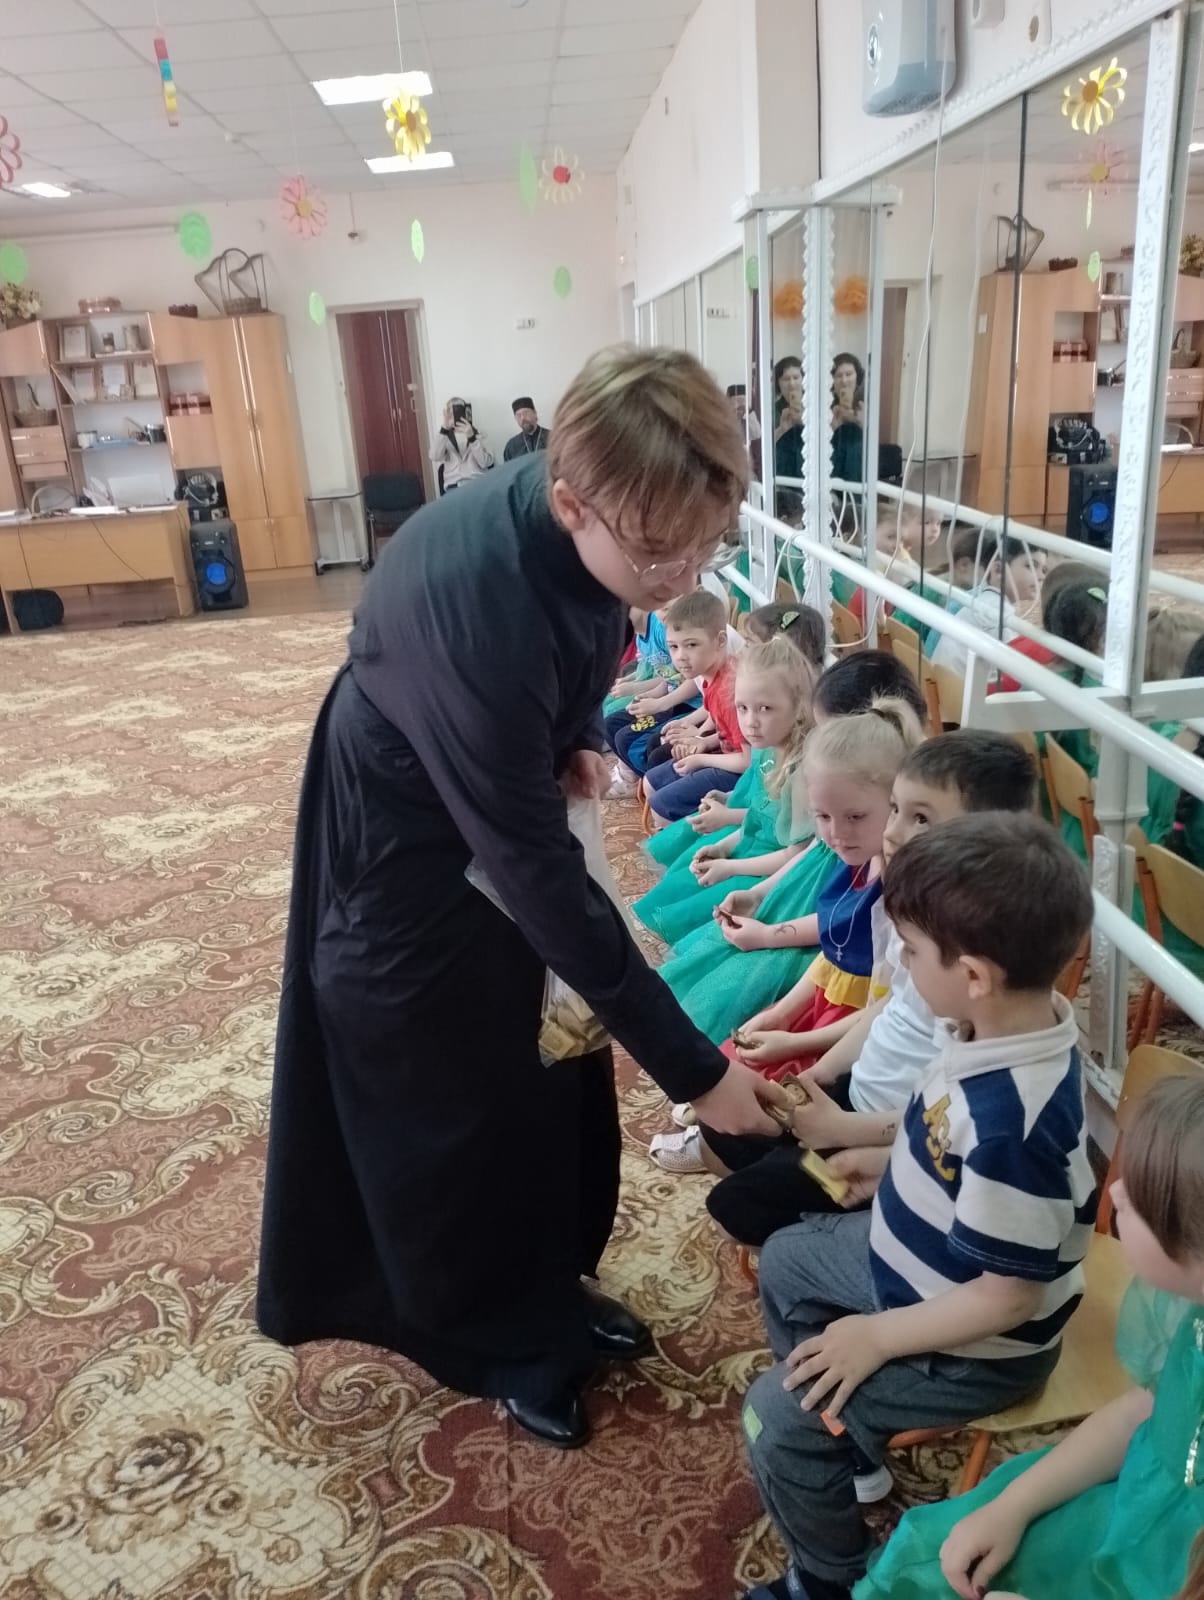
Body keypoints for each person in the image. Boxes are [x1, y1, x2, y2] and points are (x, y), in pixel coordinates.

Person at [256, 345, 785, 1454]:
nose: (682, 572)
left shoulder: (600, 528)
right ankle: (493, 1338)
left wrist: (578, 730)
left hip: (493, 774)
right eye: (660, 551)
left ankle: (547, 1285)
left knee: (546, 1058)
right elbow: (543, 882)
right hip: (403, 844)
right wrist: (698, 1074)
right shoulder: (479, 607)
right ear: (569, 500)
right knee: (451, 1089)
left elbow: (587, 636)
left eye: (707, 543)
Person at [740, 811, 1096, 1600]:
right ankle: (848, 1437)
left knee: (776, 1418)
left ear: (973, 973)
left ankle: (828, 1579)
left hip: (975, 1346)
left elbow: (1009, 1298)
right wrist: (891, 1165)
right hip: (914, 1266)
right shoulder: (985, 1027)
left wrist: (875, 1337)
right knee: (790, 1258)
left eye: (908, 948)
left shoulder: (1015, 1125)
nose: (898, 960)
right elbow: (938, 1125)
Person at [854, 1072, 1204, 1600]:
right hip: (1126, 1507)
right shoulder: (1190, 1310)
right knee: (931, 1552)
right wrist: (1013, 1506)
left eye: (1143, 1200)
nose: (1113, 1189)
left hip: (1159, 1571)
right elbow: (1145, 1413)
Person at [703, 730, 1037, 1247]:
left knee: (737, 1205)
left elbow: (951, 1120)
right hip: (859, 1092)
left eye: (921, 818)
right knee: (725, 1132)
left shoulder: (977, 967)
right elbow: (891, 1008)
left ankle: (876, 1220)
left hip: (892, 1131)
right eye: (897, 809)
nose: (894, 830)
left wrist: (842, 1129)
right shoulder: (915, 904)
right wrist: (817, 1074)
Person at [653, 694, 925, 1174]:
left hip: (851, 1019)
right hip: (827, 990)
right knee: (744, 1050)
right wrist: (782, 1013)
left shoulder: (899, 898)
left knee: (775, 1090)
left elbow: (882, 1008)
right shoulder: (858, 856)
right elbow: (834, 946)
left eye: (855, 817)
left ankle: (719, 1148)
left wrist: (795, 1038)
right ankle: (716, 1134)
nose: (835, 834)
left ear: (896, 804)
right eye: (823, 817)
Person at [658, 653, 928, 1046]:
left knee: (740, 992)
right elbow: (819, 867)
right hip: (814, 949)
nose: (836, 832)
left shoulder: (892, 873)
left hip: (837, 987)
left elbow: (844, 940)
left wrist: (768, 931)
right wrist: (756, 893)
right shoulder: (856, 842)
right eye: (823, 816)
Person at [637, 635, 815, 989]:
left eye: (765, 709)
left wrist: (730, 864)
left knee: (703, 911)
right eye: (742, 708)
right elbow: (759, 810)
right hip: (749, 844)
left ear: (798, 708)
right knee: (681, 879)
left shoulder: (803, 772)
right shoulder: (766, 749)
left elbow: (796, 853)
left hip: (770, 870)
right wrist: (723, 842)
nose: (750, 722)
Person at [642, 589, 750, 822]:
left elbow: (747, 760)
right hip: (726, 755)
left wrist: (701, 759)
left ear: (720, 641)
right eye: (673, 647)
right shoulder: (710, 677)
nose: (680, 656)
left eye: (691, 645)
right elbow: (729, 734)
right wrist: (703, 741)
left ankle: (685, 840)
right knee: (650, 782)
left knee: (661, 804)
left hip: (742, 775)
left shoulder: (730, 691)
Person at [931, 534, 1046, 677]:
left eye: (1043, 570)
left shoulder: (983, 600)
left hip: (946, 684)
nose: (1041, 576)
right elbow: (1013, 672)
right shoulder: (997, 613)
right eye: (1031, 566)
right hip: (959, 689)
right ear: (998, 570)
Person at [431, 396, 494, 490]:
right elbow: (434, 456)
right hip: (454, 486)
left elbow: (486, 463)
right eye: (451, 411)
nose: (455, 414)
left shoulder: (480, 434)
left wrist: (472, 438)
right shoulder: (444, 437)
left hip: (477, 484)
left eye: (458, 410)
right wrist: (444, 429)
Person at [774, 356, 805, 489]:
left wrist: (805, 422)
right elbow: (763, 447)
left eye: (796, 377)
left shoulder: (816, 406)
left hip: (809, 472)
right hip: (782, 474)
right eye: (786, 379)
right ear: (778, 383)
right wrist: (781, 430)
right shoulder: (772, 410)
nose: (792, 384)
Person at [503, 395, 550, 462]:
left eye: (526, 413)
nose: (523, 418)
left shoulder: (554, 437)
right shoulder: (511, 446)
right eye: (519, 415)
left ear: (535, 413)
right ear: (515, 419)